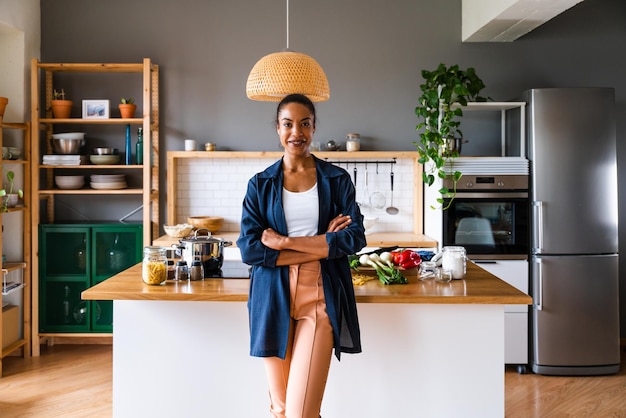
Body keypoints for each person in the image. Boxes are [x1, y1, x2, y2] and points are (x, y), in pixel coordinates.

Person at [237, 93, 367, 418]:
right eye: (288, 124)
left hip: (319, 297)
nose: (297, 132)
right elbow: (250, 248)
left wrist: (283, 243)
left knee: (300, 413)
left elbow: (354, 238)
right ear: (278, 129)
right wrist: (323, 243)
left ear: (314, 127)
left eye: (305, 124)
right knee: (280, 409)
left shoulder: (336, 180)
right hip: (271, 297)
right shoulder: (261, 184)